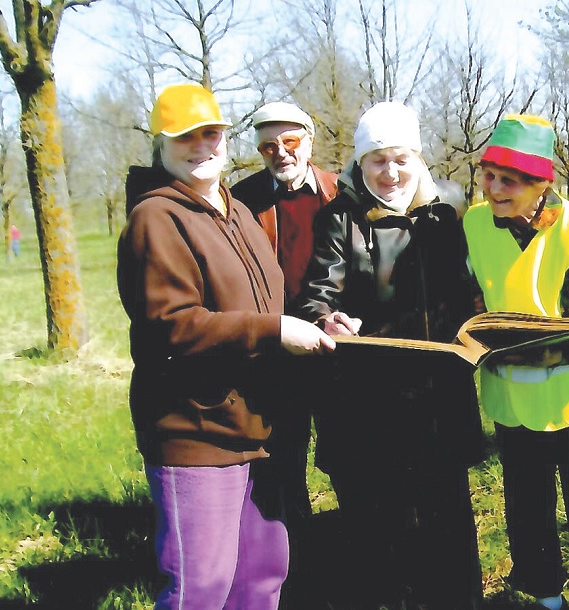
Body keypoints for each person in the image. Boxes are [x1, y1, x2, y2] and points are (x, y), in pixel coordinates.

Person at [116, 83, 335, 610]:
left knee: (262, 574)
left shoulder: (236, 210)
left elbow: (273, 294)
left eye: (211, 133)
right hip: (197, 430)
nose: (202, 146)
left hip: (261, 427)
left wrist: (321, 317)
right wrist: (274, 331)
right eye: (185, 137)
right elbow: (171, 327)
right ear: (161, 145)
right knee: (201, 587)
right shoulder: (156, 218)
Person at [294, 101, 484, 608]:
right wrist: (324, 318)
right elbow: (317, 293)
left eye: (401, 157)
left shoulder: (452, 207)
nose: (391, 171)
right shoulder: (340, 217)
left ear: (418, 157)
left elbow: (474, 282)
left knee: (447, 515)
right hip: (368, 400)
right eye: (377, 159)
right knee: (380, 521)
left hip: (440, 395)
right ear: (360, 163)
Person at [462, 114, 569, 610]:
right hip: (513, 399)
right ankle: (543, 593)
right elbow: (471, 295)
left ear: (540, 185)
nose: (492, 189)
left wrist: (503, 341)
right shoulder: (472, 223)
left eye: (507, 181)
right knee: (526, 503)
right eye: (487, 175)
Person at [228, 103, 338, 607]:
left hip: (339, 354)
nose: (280, 153)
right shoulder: (243, 200)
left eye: (290, 142)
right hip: (276, 355)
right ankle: (299, 580)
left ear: (309, 141)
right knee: (282, 469)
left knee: (346, 462)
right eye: (269, 145)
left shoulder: (342, 191)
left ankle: (358, 564)